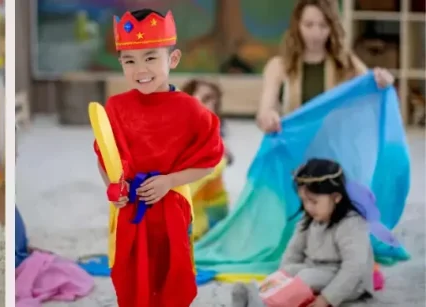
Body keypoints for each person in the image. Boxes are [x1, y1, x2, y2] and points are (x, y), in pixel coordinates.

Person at [94, 9, 225, 306]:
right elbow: (105, 156)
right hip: (131, 208)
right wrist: (113, 186)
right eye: (130, 61)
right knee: (129, 273)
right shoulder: (115, 107)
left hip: (171, 209)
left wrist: (171, 181)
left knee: (172, 271)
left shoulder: (191, 110)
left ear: (173, 59)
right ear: (121, 63)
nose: (141, 69)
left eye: (151, 58)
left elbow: (208, 159)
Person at [230, 159, 375, 307]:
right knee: (288, 270)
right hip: (313, 270)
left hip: (350, 282)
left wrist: (326, 299)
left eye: (313, 201)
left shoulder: (351, 224)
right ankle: (260, 294)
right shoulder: (309, 219)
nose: (308, 207)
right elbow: (293, 251)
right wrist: (282, 278)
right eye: (304, 201)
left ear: (336, 197)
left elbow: (354, 268)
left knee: (306, 277)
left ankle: (264, 304)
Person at [255, 0, 396, 133]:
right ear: (297, 25)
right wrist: (268, 117)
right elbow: (264, 111)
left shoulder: (346, 62)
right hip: (293, 152)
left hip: (334, 152)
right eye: (308, 25)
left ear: (332, 27)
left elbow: (372, 93)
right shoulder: (278, 66)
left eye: (323, 26)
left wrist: (383, 82)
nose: (316, 34)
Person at [180, 79, 233, 240]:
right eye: (205, 99)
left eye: (214, 101)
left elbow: (228, 158)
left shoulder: (214, 129)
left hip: (213, 202)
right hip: (190, 202)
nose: (211, 105)